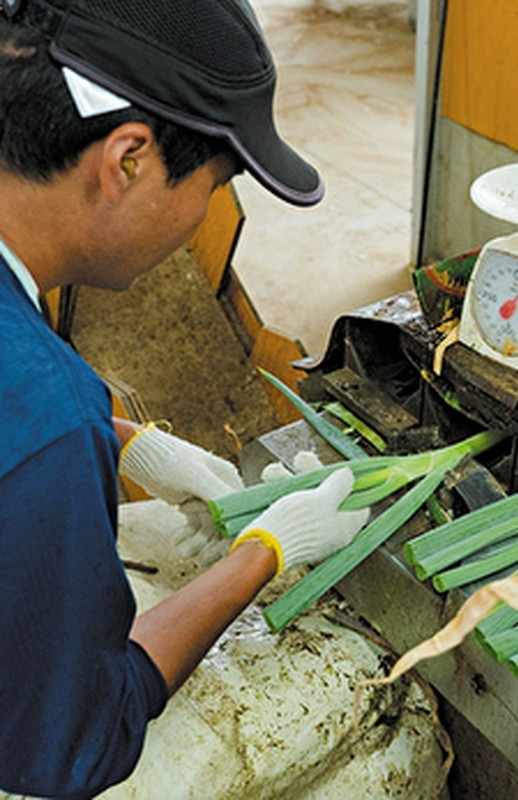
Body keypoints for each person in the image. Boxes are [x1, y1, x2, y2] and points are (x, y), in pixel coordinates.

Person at [0, 0, 369, 796]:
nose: (204, 213)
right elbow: (77, 740)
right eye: (215, 183)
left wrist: (129, 439)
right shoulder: (50, 415)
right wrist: (263, 552)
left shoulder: (47, 405)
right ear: (128, 161)